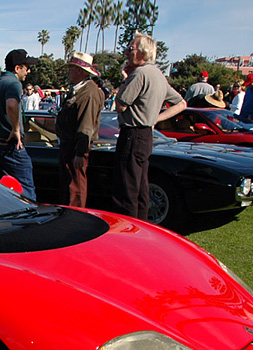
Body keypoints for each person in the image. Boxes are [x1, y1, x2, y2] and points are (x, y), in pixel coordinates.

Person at [112, 32, 186, 221]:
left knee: (126, 187)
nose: (127, 52)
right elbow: (181, 103)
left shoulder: (139, 74)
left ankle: (126, 229)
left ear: (143, 52)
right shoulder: (158, 75)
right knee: (141, 187)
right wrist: (155, 119)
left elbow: (120, 105)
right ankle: (142, 227)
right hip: (145, 136)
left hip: (132, 134)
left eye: (131, 49)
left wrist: (125, 79)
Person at [0, 48, 39, 200]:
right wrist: (16, 129)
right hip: (10, 146)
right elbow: (11, 105)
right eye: (26, 67)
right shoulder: (13, 84)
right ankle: (29, 221)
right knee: (26, 190)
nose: (28, 71)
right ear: (17, 68)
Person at [55, 52, 105, 208]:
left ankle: (74, 216)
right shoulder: (79, 90)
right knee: (68, 184)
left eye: (72, 69)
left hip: (75, 146)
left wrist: (80, 152)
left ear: (81, 71)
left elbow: (86, 125)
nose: (69, 72)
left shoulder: (88, 93)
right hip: (69, 145)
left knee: (75, 186)